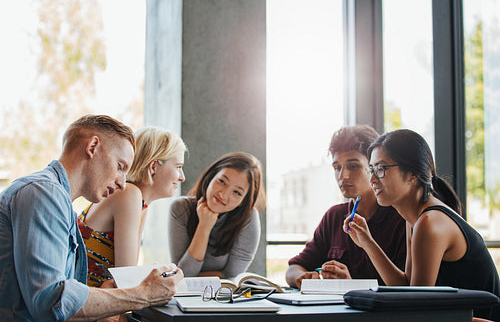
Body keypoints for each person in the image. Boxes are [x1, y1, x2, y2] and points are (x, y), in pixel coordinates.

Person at [0, 115, 183, 321]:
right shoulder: (44, 193)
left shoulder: (58, 200)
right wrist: (145, 294)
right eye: (120, 166)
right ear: (93, 147)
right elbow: (52, 303)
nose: (123, 183)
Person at [345, 129, 500, 321]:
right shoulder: (416, 220)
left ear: (413, 174)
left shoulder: (429, 222)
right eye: (371, 169)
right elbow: (407, 288)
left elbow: (415, 309)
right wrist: (367, 242)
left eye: (381, 169)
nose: (372, 179)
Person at [286, 125, 406, 289]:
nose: (342, 176)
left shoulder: (400, 218)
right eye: (337, 168)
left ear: (375, 166)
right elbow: (294, 268)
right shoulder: (334, 216)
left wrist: (351, 286)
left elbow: (406, 288)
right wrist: (304, 278)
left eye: (353, 166)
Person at [78, 126, 186, 287]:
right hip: (87, 304)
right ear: (154, 166)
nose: (182, 177)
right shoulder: (128, 194)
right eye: (178, 167)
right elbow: (126, 278)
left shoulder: (140, 202)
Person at [168, 152, 265, 279]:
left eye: (236, 192)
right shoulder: (180, 208)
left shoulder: (248, 218)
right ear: (211, 177)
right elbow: (182, 275)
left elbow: (231, 277)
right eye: (222, 181)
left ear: (244, 201)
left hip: (223, 296)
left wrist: (194, 276)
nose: (223, 195)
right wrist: (204, 225)